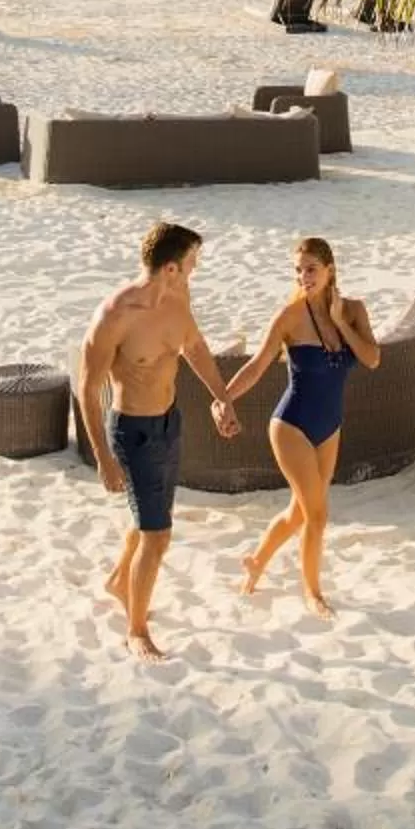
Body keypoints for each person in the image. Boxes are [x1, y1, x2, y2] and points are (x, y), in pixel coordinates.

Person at [78, 219, 240, 660]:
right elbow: (88, 390)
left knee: (150, 519)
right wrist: (103, 459)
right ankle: (136, 630)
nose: (195, 271)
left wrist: (222, 398)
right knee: (158, 534)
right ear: (170, 268)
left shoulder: (179, 300)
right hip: (133, 432)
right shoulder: (114, 316)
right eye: (192, 263)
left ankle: (118, 580)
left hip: (170, 422)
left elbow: (196, 349)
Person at [215, 235, 379, 617]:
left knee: (301, 512)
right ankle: (312, 592)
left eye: (311, 269)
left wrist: (340, 322)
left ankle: (256, 561)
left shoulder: (353, 310)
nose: (304, 277)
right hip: (291, 426)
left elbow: (371, 358)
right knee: (318, 514)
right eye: (298, 271)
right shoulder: (289, 317)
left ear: (330, 270)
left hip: (330, 426)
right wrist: (223, 398)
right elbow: (256, 366)